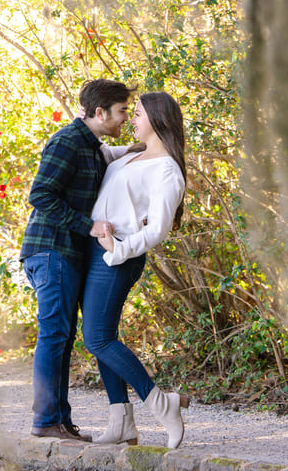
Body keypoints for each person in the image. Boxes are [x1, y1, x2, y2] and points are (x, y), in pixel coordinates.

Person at [20, 79, 136, 441]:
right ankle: (46, 422)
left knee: (63, 336)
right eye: (121, 113)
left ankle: (58, 421)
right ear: (99, 112)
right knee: (54, 334)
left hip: (64, 252)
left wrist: (136, 147)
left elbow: (111, 155)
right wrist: (88, 226)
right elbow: (40, 195)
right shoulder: (67, 142)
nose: (125, 119)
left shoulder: (92, 146)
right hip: (51, 249)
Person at [81, 91, 190, 449]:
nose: (132, 119)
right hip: (99, 255)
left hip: (119, 259)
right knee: (103, 338)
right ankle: (121, 423)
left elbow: (159, 228)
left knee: (97, 338)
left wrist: (120, 249)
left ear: (158, 120)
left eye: (138, 113)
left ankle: (162, 404)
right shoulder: (132, 155)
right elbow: (95, 151)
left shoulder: (167, 169)